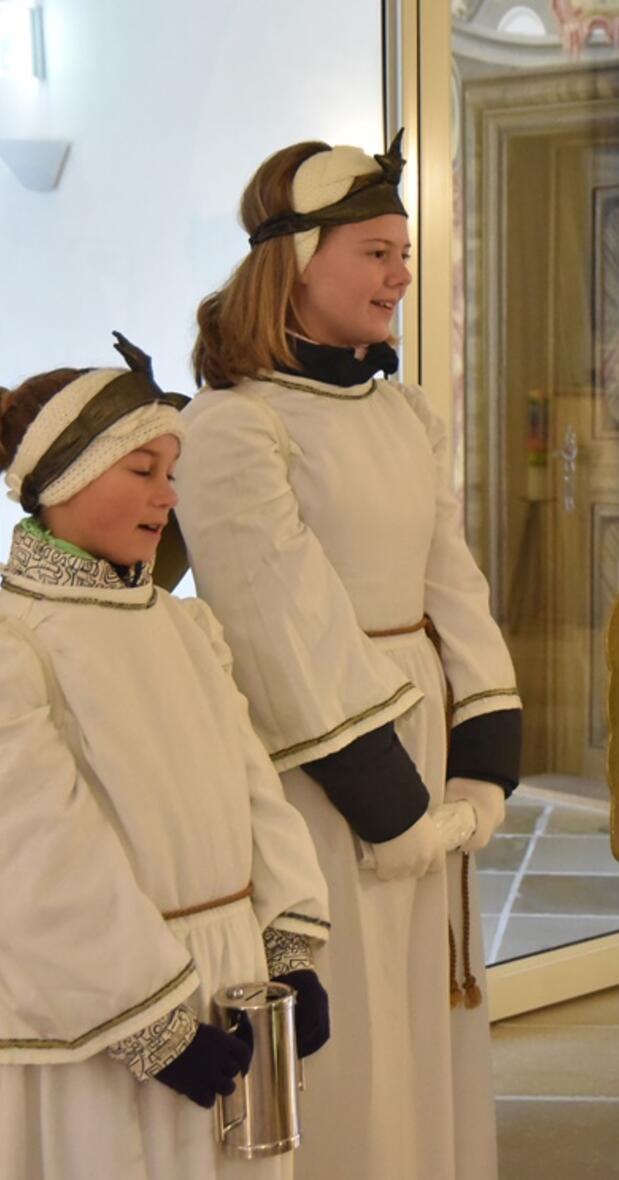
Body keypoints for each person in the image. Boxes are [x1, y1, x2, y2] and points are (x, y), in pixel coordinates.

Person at [174, 134, 521, 1180]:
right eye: (375, 251)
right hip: (324, 766)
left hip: (415, 734)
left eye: (402, 252)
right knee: (358, 1020)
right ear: (296, 259)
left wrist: (483, 755)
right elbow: (283, 627)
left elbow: (452, 579)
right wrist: (395, 803)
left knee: (428, 1008)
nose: (400, 274)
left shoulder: (403, 411)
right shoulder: (237, 427)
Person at [0, 335, 331, 1180]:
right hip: (103, 1011)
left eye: (171, 471)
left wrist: (287, 943)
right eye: (142, 470)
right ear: (65, 478)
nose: (168, 495)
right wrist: (151, 1024)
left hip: (229, 981)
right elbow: (39, 855)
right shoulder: (18, 645)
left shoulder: (184, 626)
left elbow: (256, 791)